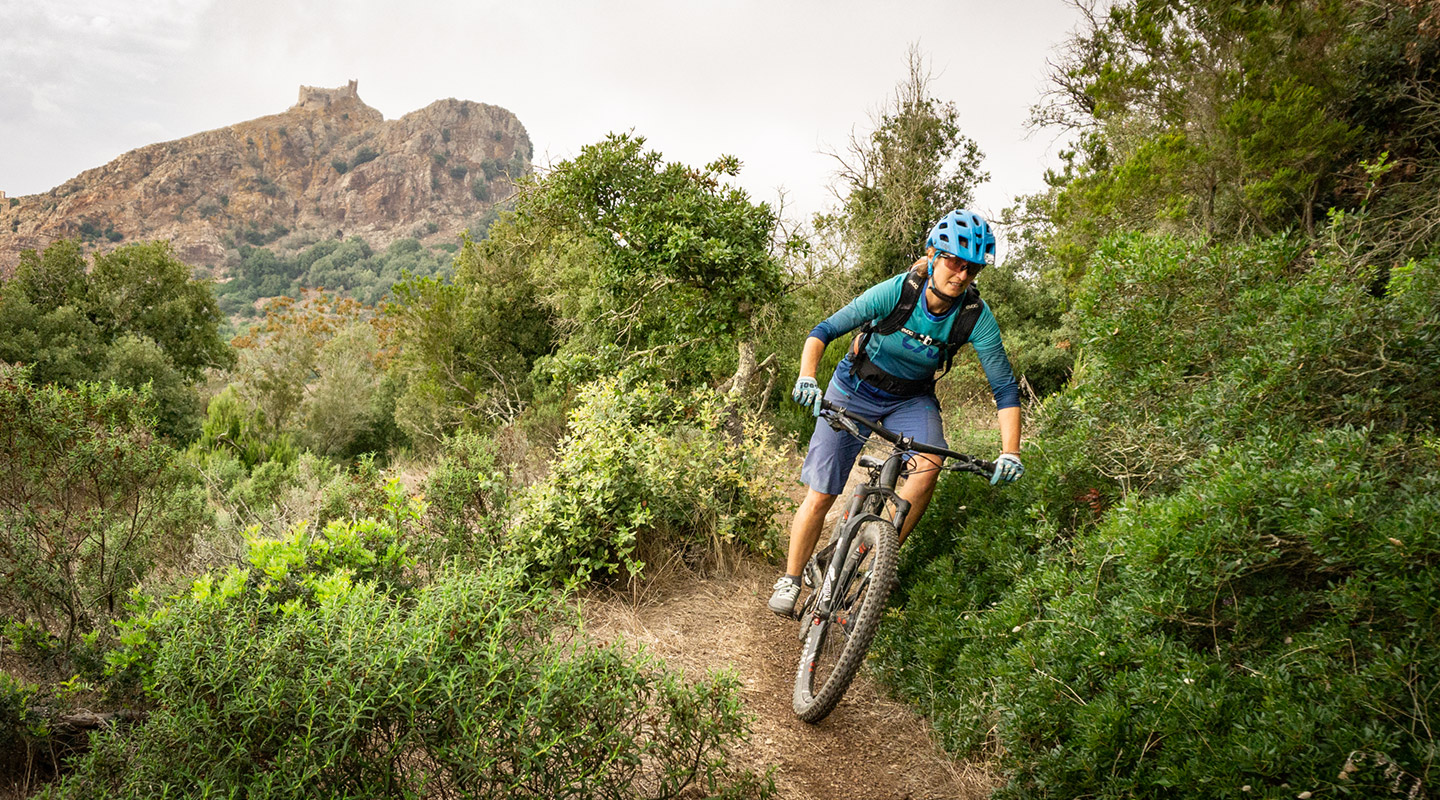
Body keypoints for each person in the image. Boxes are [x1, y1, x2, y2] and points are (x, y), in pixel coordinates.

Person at [768, 208, 1024, 617]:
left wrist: (1010, 451)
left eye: (972, 269)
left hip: (911, 398)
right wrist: (807, 377)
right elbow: (822, 332)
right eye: (955, 262)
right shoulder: (899, 291)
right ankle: (792, 577)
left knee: (930, 464)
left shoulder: (976, 316)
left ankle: (877, 565)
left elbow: (1005, 388)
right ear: (934, 255)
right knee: (822, 495)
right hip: (853, 388)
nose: (961, 275)